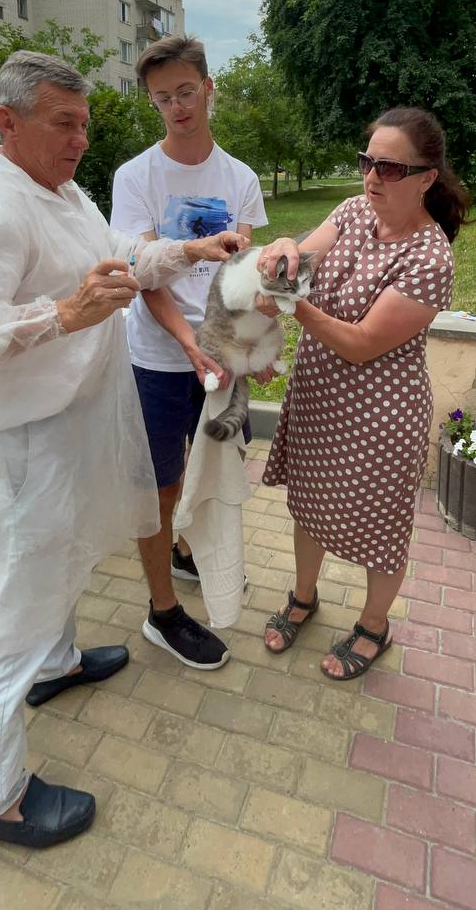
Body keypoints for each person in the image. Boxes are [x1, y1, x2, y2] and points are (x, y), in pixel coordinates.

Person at [0, 50, 246, 848]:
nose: (81, 140)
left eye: (86, 125)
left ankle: (54, 668)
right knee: (8, 614)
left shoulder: (56, 192)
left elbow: (119, 258)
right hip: (16, 451)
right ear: (8, 122)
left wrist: (188, 252)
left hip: (62, 437)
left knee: (57, 566)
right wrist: (63, 314)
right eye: (65, 123)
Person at [259, 106, 469, 680]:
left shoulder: (431, 257)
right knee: (309, 506)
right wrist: (282, 250)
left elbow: (360, 344)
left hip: (381, 414)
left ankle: (374, 625)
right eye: (367, 162)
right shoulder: (354, 211)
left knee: (379, 526)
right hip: (318, 399)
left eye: (390, 168)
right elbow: (303, 258)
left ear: (427, 177)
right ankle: (304, 597)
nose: (372, 177)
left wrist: (291, 304)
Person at [111, 34, 267, 669]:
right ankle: (161, 611)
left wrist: (243, 347)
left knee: (210, 472)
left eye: (184, 92)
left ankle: (183, 552)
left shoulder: (241, 178)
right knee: (161, 487)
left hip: (220, 356)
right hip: (156, 358)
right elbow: (146, 274)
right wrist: (190, 345)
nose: (176, 107)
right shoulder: (136, 176)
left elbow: (240, 277)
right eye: (161, 98)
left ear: (208, 88)